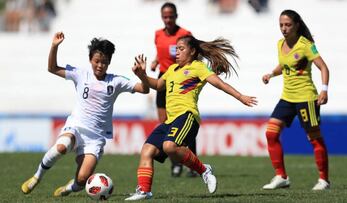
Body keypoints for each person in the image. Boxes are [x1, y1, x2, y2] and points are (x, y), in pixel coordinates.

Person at [125, 35, 257, 201]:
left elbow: (219, 84)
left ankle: (204, 170)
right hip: (170, 120)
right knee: (147, 150)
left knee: (169, 146)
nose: (177, 52)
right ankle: (144, 191)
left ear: (192, 51)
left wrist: (240, 96)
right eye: (176, 49)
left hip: (187, 116)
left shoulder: (198, 67)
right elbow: (158, 85)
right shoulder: (172, 69)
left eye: (181, 49)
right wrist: (142, 75)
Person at [21, 32, 149, 196]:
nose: (100, 65)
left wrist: (142, 75)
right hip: (76, 127)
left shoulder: (116, 81)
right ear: (90, 60)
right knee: (61, 146)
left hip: (95, 138)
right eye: (97, 61)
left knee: (82, 180)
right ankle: (37, 177)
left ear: (109, 62)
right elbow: (52, 68)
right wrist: (54, 46)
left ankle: (69, 188)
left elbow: (144, 89)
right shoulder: (81, 74)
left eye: (104, 62)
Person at [261, 9, 330, 190]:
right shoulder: (279, 44)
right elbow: (283, 65)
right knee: (271, 133)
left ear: (296, 25)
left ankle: (324, 180)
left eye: (288, 25)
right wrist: (271, 74)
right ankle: (281, 177)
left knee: (314, 138)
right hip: (287, 98)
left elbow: (323, 67)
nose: (284, 28)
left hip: (306, 98)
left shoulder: (306, 44)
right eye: (281, 25)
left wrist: (324, 90)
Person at [151, 2, 195, 177]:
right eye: (165, 16)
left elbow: (194, 52)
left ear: (176, 16)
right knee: (165, 124)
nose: (168, 19)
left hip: (180, 79)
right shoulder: (158, 34)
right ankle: (175, 164)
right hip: (163, 79)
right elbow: (159, 51)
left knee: (184, 123)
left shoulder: (184, 34)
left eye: (171, 16)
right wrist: (155, 61)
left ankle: (193, 163)